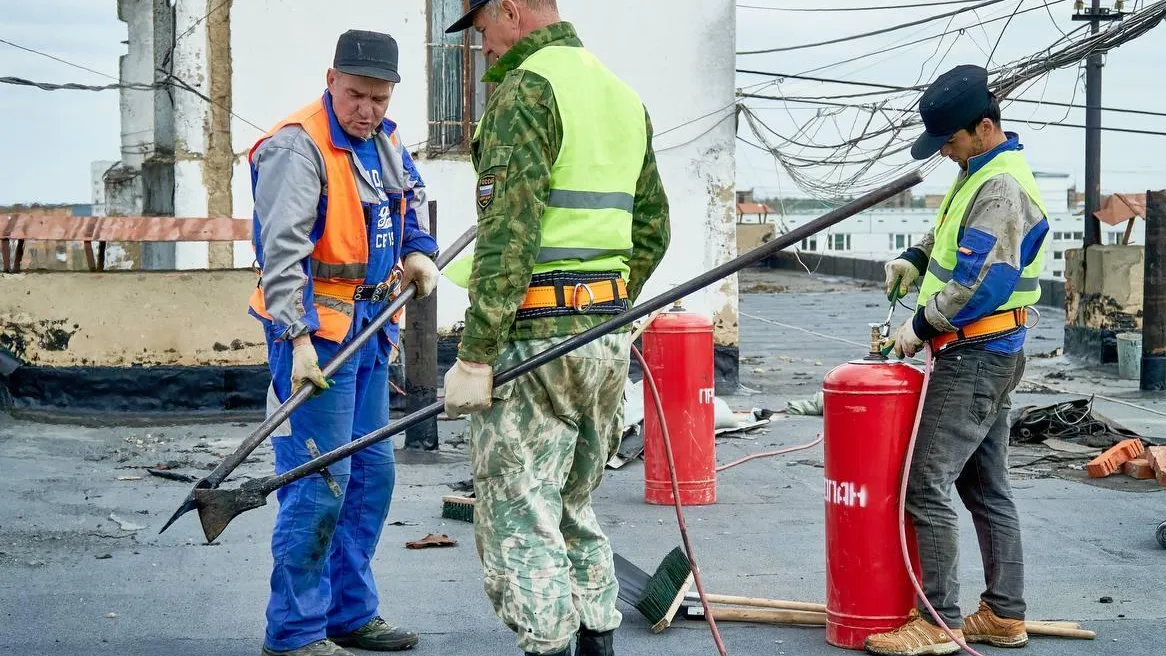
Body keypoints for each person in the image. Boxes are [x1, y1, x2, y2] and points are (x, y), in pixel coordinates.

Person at [441, 1, 671, 655]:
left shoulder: (526, 89)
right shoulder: (619, 94)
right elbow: (651, 229)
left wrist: (477, 356)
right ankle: (598, 638)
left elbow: (509, 237)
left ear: (510, 9)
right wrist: (605, 304)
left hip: (534, 339)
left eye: (482, 28)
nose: (482, 46)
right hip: (602, 336)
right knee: (573, 503)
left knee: (519, 509)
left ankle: (548, 645)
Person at [246, 28, 440, 656]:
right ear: (331, 80)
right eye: (356, 95)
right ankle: (297, 634)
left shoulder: (383, 139)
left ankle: (348, 614)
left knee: (369, 477)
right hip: (313, 343)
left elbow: (410, 196)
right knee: (319, 481)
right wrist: (296, 339)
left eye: (379, 98)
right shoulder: (296, 149)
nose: (368, 110)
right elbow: (282, 256)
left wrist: (417, 250)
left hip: (368, 335)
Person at [867, 64, 1049, 656]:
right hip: (988, 353)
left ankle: (937, 622)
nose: (944, 152)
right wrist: (914, 259)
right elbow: (954, 241)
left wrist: (915, 330)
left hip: (974, 354)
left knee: (925, 485)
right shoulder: (979, 172)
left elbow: (982, 283)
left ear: (985, 126)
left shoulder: (1003, 186)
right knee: (984, 485)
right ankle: (1003, 614)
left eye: (950, 140)